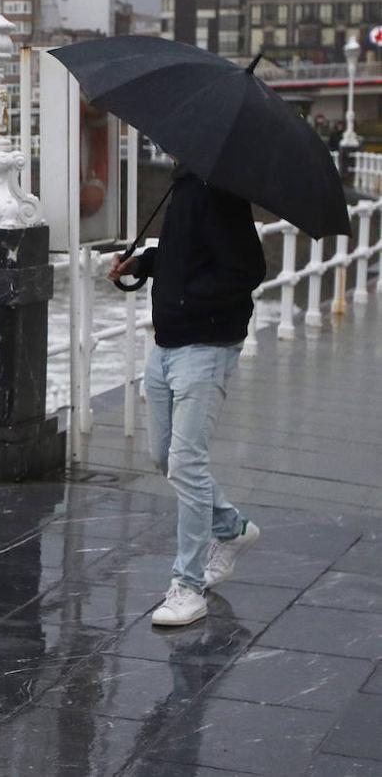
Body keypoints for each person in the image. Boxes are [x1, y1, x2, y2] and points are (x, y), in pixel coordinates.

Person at [110, 166, 266, 627]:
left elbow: (248, 269)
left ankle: (189, 584)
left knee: (187, 462)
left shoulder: (221, 192)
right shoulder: (184, 186)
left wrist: (186, 301)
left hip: (205, 347)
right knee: (164, 457)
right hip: (166, 344)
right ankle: (233, 529)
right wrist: (142, 264)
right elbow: (182, 256)